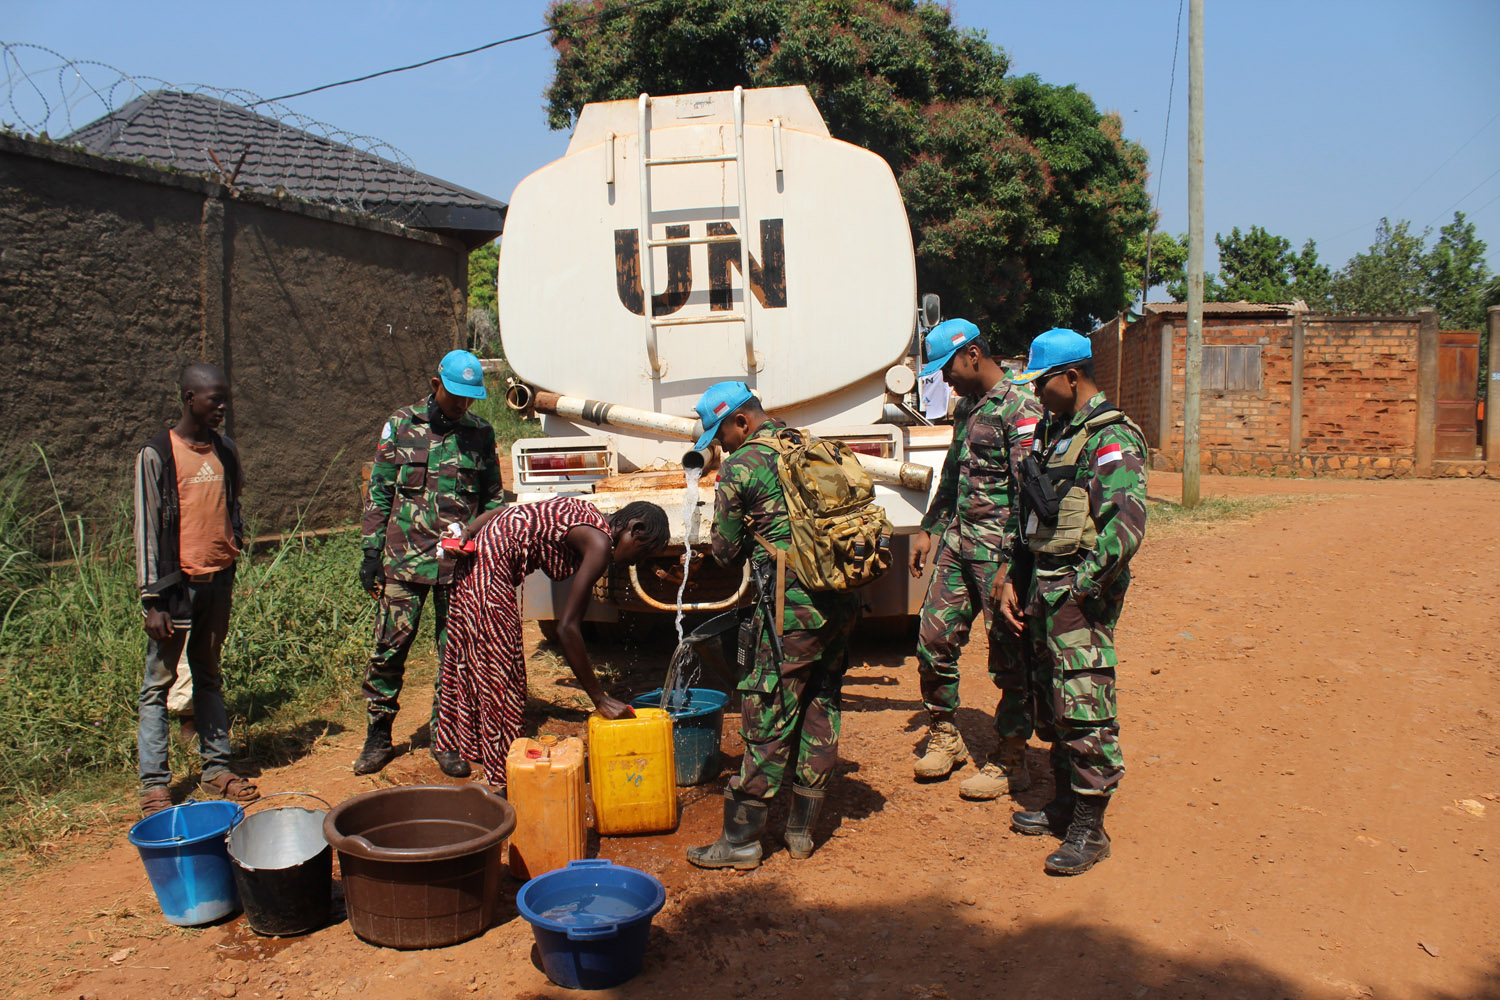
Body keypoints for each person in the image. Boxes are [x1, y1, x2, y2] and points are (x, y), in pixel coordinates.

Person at [686, 382, 859, 870]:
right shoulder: (810, 445)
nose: (722, 447)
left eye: (722, 436)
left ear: (741, 421)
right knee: (822, 699)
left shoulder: (742, 466)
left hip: (790, 610)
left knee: (768, 710)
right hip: (840, 602)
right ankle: (802, 831)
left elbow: (725, 552)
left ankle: (740, 842)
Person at [998, 328, 1147, 875]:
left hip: (1079, 595)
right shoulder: (1053, 434)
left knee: (1085, 706)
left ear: (1072, 377)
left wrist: (1079, 588)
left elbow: (1124, 530)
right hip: (1043, 585)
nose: (1036, 395)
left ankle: (1090, 827)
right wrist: (1016, 576)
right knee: (1054, 703)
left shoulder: (1112, 438)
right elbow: (1031, 516)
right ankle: (1064, 804)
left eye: (1042, 384)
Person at [435, 498, 669, 786]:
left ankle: (468, 746)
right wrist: (600, 699)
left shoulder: (589, 514)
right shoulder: (598, 543)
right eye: (642, 551)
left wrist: (469, 531)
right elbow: (567, 628)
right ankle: (503, 777)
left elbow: (504, 510)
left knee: (473, 660)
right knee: (500, 671)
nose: (638, 561)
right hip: (488, 573)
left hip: (476, 562)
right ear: (635, 527)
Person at [909, 319, 1043, 800]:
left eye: (948, 370)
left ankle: (1011, 758)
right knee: (932, 639)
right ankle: (947, 737)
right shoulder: (968, 406)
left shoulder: (1020, 407)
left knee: (1010, 655)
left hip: (999, 556)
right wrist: (930, 527)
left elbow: (1026, 492)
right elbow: (953, 474)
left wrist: (1010, 563)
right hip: (958, 543)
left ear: (972, 354)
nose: (945, 381)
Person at [354, 350, 503, 777]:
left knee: (453, 654)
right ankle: (378, 736)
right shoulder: (401, 425)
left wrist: (483, 543)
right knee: (390, 648)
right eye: (455, 394)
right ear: (435, 383)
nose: (461, 404)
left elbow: (493, 499)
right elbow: (380, 493)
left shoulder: (480, 433)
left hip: (456, 566)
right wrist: (370, 552)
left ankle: (446, 737)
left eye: (469, 397)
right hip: (403, 561)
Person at [134, 362, 259, 816]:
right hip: (175, 590)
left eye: (225, 398)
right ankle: (154, 784)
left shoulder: (225, 450)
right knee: (157, 685)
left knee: (208, 673)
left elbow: (234, 503)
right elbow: (148, 530)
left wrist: (234, 542)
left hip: (216, 582)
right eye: (215, 399)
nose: (223, 407)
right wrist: (153, 600)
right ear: (190, 398)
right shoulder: (157, 455)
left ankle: (216, 768)